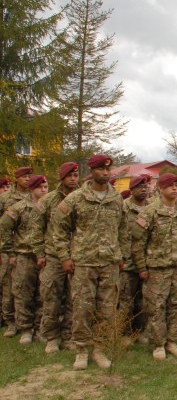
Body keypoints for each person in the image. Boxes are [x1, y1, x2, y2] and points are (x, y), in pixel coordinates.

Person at [52, 154, 129, 370]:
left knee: (106, 309)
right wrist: (64, 257)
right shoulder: (77, 198)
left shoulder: (116, 199)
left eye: (108, 170)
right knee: (82, 307)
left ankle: (100, 349)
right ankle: (82, 350)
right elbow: (58, 228)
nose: (105, 173)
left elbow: (123, 229)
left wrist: (122, 255)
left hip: (109, 262)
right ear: (92, 171)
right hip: (83, 262)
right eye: (101, 170)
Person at [132, 173, 177, 360]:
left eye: (176, 185)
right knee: (156, 307)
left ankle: (172, 341)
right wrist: (142, 267)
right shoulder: (150, 211)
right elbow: (138, 242)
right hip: (156, 268)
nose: (174, 188)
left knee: (176, 304)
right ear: (160, 188)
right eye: (170, 185)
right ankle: (158, 344)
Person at [0, 174, 48, 344]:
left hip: (45, 256)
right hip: (25, 256)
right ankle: (26, 328)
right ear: (31, 189)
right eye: (40, 187)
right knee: (23, 293)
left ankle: (40, 327)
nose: (44, 190)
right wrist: (10, 252)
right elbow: (4, 227)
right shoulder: (19, 207)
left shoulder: (49, 207)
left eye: (46, 187)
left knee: (43, 294)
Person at [38, 162, 79, 353]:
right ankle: (51, 337)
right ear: (62, 177)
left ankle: (69, 335)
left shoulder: (83, 198)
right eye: (69, 175)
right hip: (54, 257)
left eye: (76, 175)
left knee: (74, 300)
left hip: (78, 256)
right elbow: (36, 229)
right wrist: (40, 254)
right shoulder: (48, 200)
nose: (73, 178)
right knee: (51, 298)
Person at [0, 166, 33, 336]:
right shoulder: (6, 198)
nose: (28, 179)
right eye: (24, 176)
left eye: (30, 176)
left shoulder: (34, 197)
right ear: (17, 178)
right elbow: (3, 225)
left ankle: (26, 322)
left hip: (26, 248)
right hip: (8, 249)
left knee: (24, 287)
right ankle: (10, 322)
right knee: (9, 286)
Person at [119, 174, 151, 341]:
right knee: (126, 301)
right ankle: (124, 333)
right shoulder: (123, 208)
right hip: (128, 264)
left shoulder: (152, 208)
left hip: (148, 263)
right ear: (131, 190)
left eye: (146, 186)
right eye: (140, 187)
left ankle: (139, 332)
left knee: (144, 301)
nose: (144, 189)